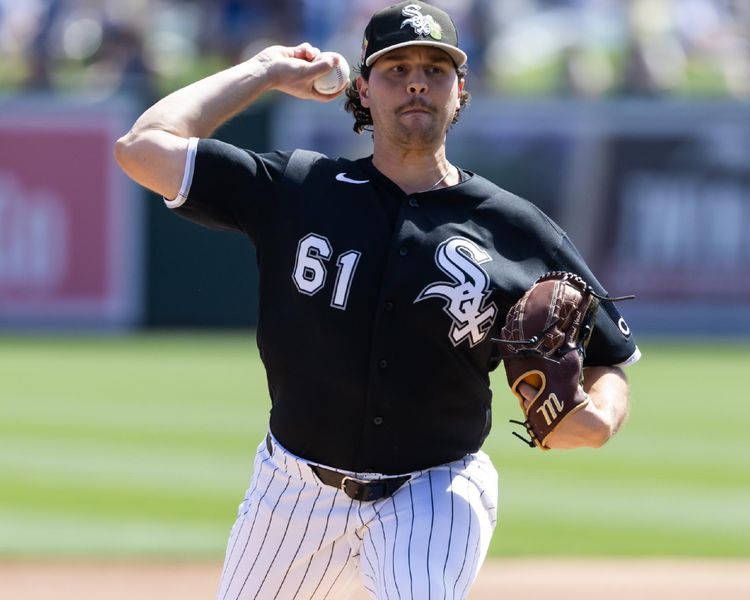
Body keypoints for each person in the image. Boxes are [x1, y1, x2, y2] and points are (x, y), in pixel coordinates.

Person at [114, 2, 640, 599]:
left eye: (435, 69)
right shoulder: (300, 189)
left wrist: (597, 419)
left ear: (460, 91)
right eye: (396, 68)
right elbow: (142, 146)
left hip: (435, 491)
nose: (417, 81)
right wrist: (262, 70)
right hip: (291, 490)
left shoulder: (518, 229)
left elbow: (611, 356)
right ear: (362, 89)